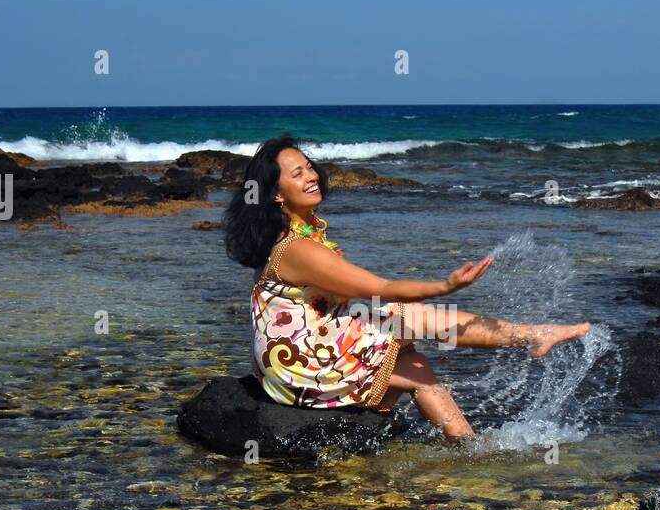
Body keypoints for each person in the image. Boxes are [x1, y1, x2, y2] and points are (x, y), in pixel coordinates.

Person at [224, 135, 590, 437]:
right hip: (299, 364)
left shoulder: (302, 236)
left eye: (309, 167)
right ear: (276, 194)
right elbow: (379, 287)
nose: (311, 176)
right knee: (405, 315)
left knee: (416, 366)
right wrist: (445, 286)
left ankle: (468, 445)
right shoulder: (298, 248)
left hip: (298, 353)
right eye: (297, 174)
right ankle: (531, 336)